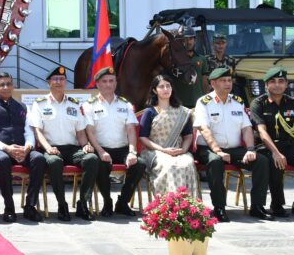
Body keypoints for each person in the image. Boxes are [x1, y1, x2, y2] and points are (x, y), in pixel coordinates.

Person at [193, 67, 270, 221]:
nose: (228, 83)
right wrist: (218, 151)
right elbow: (204, 129)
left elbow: (246, 128)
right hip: (209, 149)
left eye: (229, 80)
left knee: (261, 161)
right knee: (215, 162)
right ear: (213, 83)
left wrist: (250, 149)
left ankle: (257, 206)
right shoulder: (204, 102)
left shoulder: (237, 101)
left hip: (234, 149)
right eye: (223, 81)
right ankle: (219, 208)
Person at [27, 65, 97, 221]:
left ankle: (83, 203)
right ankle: (62, 205)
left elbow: (80, 132)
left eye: (62, 79)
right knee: (54, 162)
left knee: (92, 159)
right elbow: (37, 132)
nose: (58, 82)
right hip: (50, 148)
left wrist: (85, 145)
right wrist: (48, 148)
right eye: (55, 79)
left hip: (72, 148)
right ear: (49, 82)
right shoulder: (40, 104)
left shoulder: (74, 104)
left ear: (66, 82)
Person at [250, 66, 294, 218]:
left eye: (281, 81)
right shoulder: (258, 103)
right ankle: (277, 205)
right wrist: (276, 152)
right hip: (267, 147)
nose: (277, 85)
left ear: (286, 84)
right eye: (273, 81)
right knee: (276, 162)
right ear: (266, 85)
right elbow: (262, 131)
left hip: (289, 146)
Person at [0, 72, 45, 222]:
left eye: (9, 84)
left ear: (13, 86)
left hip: (22, 150)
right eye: (2, 84)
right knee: (3, 160)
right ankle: (9, 208)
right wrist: (7, 148)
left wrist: (27, 148)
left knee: (39, 159)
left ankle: (30, 206)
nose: (6, 87)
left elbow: (29, 133)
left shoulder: (23, 107)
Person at [84, 66, 143, 217]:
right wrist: (100, 151)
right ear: (97, 84)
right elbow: (89, 131)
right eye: (104, 81)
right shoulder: (89, 105)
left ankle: (123, 202)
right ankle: (107, 202)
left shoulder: (125, 104)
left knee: (140, 164)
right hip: (101, 148)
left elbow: (131, 130)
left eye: (111, 81)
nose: (108, 84)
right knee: (100, 164)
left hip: (123, 148)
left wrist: (132, 152)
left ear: (116, 83)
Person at [138, 75, 198, 194]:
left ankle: (187, 202)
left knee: (187, 163)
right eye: (161, 87)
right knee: (170, 165)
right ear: (155, 90)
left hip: (178, 151)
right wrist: (163, 150)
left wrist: (183, 150)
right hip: (155, 152)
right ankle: (168, 202)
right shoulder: (150, 112)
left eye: (168, 86)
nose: (165, 89)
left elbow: (188, 136)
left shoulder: (182, 112)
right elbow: (143, 137)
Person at [171, 26, 210, 108]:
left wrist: (208, 102)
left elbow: (205, 83)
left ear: (195, 40)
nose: (188, 42)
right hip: (179, 104)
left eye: (190, 38)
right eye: (184, 39)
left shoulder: (202, 59)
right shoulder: (174, 59)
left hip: (198, 104)